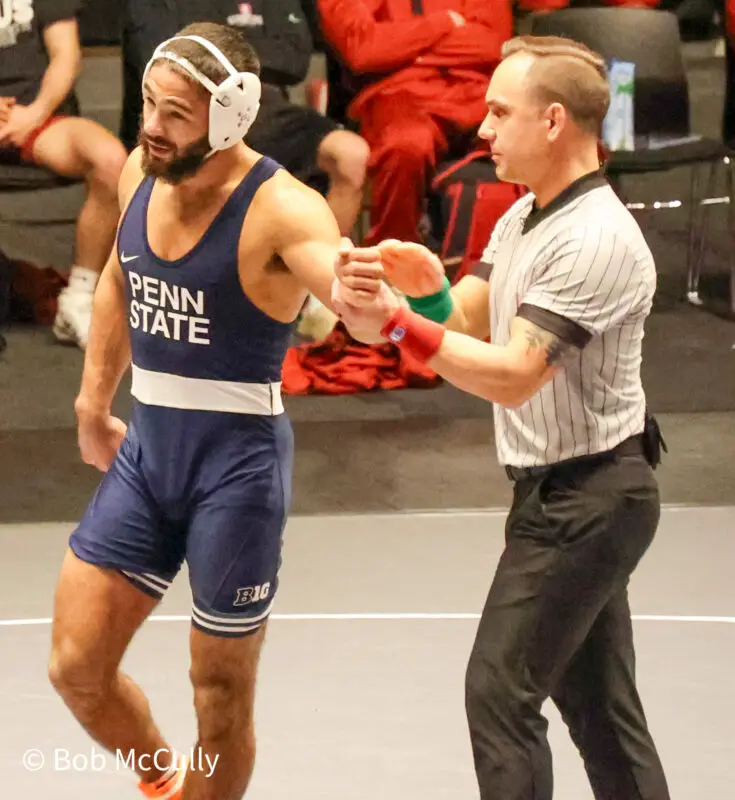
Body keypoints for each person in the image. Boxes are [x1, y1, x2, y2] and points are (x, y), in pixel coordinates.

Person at [332, 35, 671, 800]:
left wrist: (396, 324)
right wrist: (414, 295)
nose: (480, 130)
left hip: (589, 502)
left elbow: (516, 375)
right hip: (560, 496)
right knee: (601, 716)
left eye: (497, 113)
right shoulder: (523, 218)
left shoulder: (597, 239)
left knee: (499, 693)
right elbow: (454, 321)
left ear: (552, 122)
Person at [47, 21, 355, 800]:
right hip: (149, 456)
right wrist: (92, 401)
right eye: (148, 103)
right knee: (77, 669)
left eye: (174, 113)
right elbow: (118, 276)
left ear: (228, 118)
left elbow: (351, 298)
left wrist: (371, 293)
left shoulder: (282, 207)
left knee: (218, 698)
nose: (150, 125)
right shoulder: (139, 176)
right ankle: (165, 787)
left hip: (238, 471)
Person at [317, 0, 512, 245]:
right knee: (406, 146)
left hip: (477, 91)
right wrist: (443, 23)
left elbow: (493, 45)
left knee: (524, 133)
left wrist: (406, 52)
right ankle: (392, 257)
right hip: (398, 96)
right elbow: (363, 50)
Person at [0, 0, 128, 348]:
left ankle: (79, 298)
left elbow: (66, 56)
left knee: (111, 161)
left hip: (33, 116)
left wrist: (34, 114)